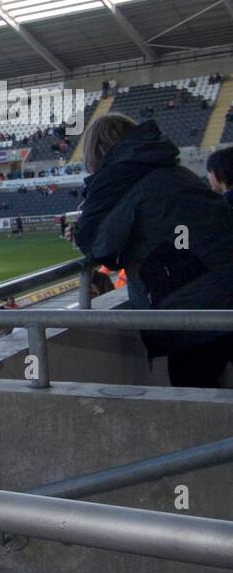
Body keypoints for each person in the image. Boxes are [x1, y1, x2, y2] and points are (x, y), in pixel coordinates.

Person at [75, 115, 233, 388]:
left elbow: (98, 247)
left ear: (96, 151)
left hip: (194, 310)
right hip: (219, 291)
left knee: (195, 401)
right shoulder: (173, 170)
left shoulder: (118, 182)